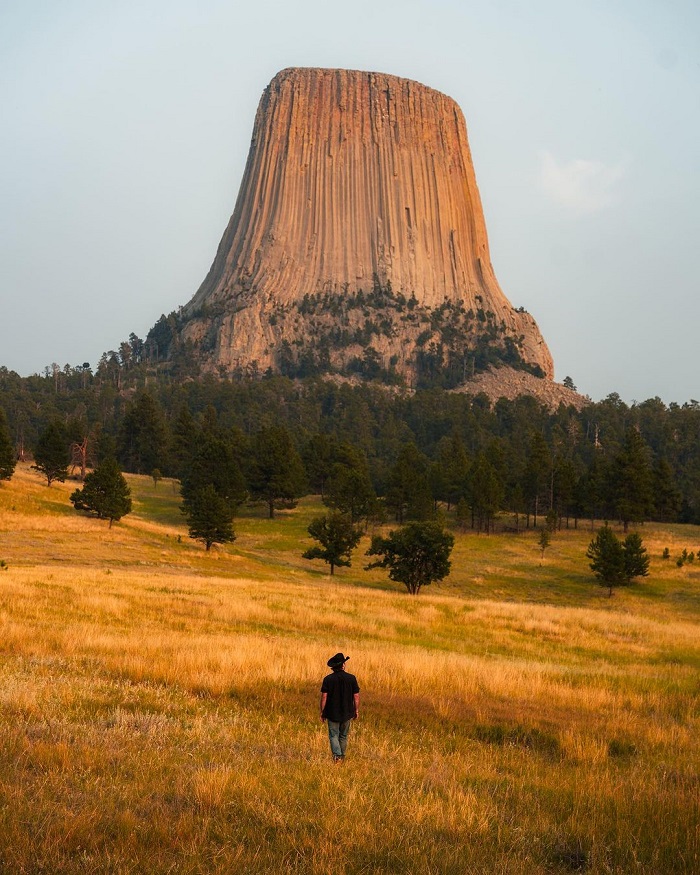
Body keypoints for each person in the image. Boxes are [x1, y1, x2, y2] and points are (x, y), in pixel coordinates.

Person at [320, 652, 360, 763]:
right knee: (343, 736)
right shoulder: (351, 678)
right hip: (347, 712)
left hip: (332, 712)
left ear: (333, 667)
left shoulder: (328, 679)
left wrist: (322, 712)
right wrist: (356, 710)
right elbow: (356, 696)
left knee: (333, 735)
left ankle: (337, 757)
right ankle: (341, 757)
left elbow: (324, 697)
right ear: (343, 665)